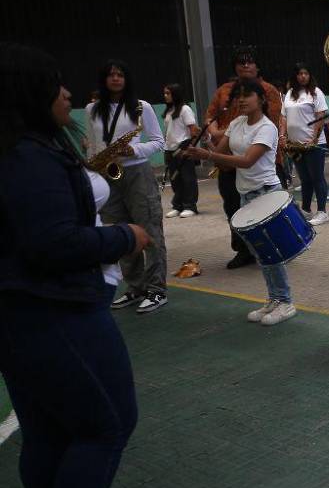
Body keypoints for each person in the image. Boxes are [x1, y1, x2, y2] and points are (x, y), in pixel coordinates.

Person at [0, 45, 151, 488]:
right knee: (105, 423)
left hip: (23, 313)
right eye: (56, 84)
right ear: (29, 94)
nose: (67, 94)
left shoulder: (20, 149)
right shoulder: (27, 159)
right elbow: (52, 244)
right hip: (53, 310)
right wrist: (124, 237)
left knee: (48, 434)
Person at [186, 80, 297, 326]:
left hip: (266, 193)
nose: (242, 100)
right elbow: (221, 156)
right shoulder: (236, 123)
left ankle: (286, 302)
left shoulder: (267, 127)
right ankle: (274, 298)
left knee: (271, 252)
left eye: (248, 95)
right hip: (245, 194)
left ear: (261, 99)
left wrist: (208, 154)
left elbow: (247, 161)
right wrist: (205, 142)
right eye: (238, 96)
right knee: (260, 252)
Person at [87, 60, 168, 314]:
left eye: (120, 74)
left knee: (150, 229)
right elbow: (92, 144)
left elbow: (159, 142)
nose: (115, 79)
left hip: (137, 172)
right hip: (106, 173)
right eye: (111, 75)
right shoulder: (92, 109)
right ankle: (135, 286)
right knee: (121, 231)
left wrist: (135, 150)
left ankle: (156, 289)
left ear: (127, 79)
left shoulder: (140, 107)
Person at [204, 50, 284, 269]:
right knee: (234, 209)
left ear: (257, 67)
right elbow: (210, 115)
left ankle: (273, 250)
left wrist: (219, 137)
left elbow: (269, 120)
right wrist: (215, 133)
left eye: (250, 62)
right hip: (229, 163)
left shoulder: (268, 91)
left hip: (260, 162)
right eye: (241, 63)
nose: (245, 66)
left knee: (268, 215)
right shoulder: (224, 90)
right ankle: (243, 250)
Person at [282, 63, 329, 226]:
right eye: (300, 74)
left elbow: (320, 116)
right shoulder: (289, 94)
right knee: (304, 179)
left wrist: (314, 139)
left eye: (306, 73)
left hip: (313, 145)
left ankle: (322, 211)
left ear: (310, 76)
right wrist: (282, 136)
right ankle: (306, 209)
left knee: (317, 177)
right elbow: (283, 117)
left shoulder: (316, 92)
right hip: (295, 145)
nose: (303, 76)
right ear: (295, 76)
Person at [162, 82, 199, 218]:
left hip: (182, 148)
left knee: (187, 178)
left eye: (168, 93)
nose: (165, 96)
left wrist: (190, 149)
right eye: (164, 93)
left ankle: (190, 206)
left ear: (175, 94)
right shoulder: (169, 111)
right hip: (169, 150)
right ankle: (178, 206)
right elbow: (169, 131)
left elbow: (193, 130)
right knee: (175, 179)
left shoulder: (185, 109)